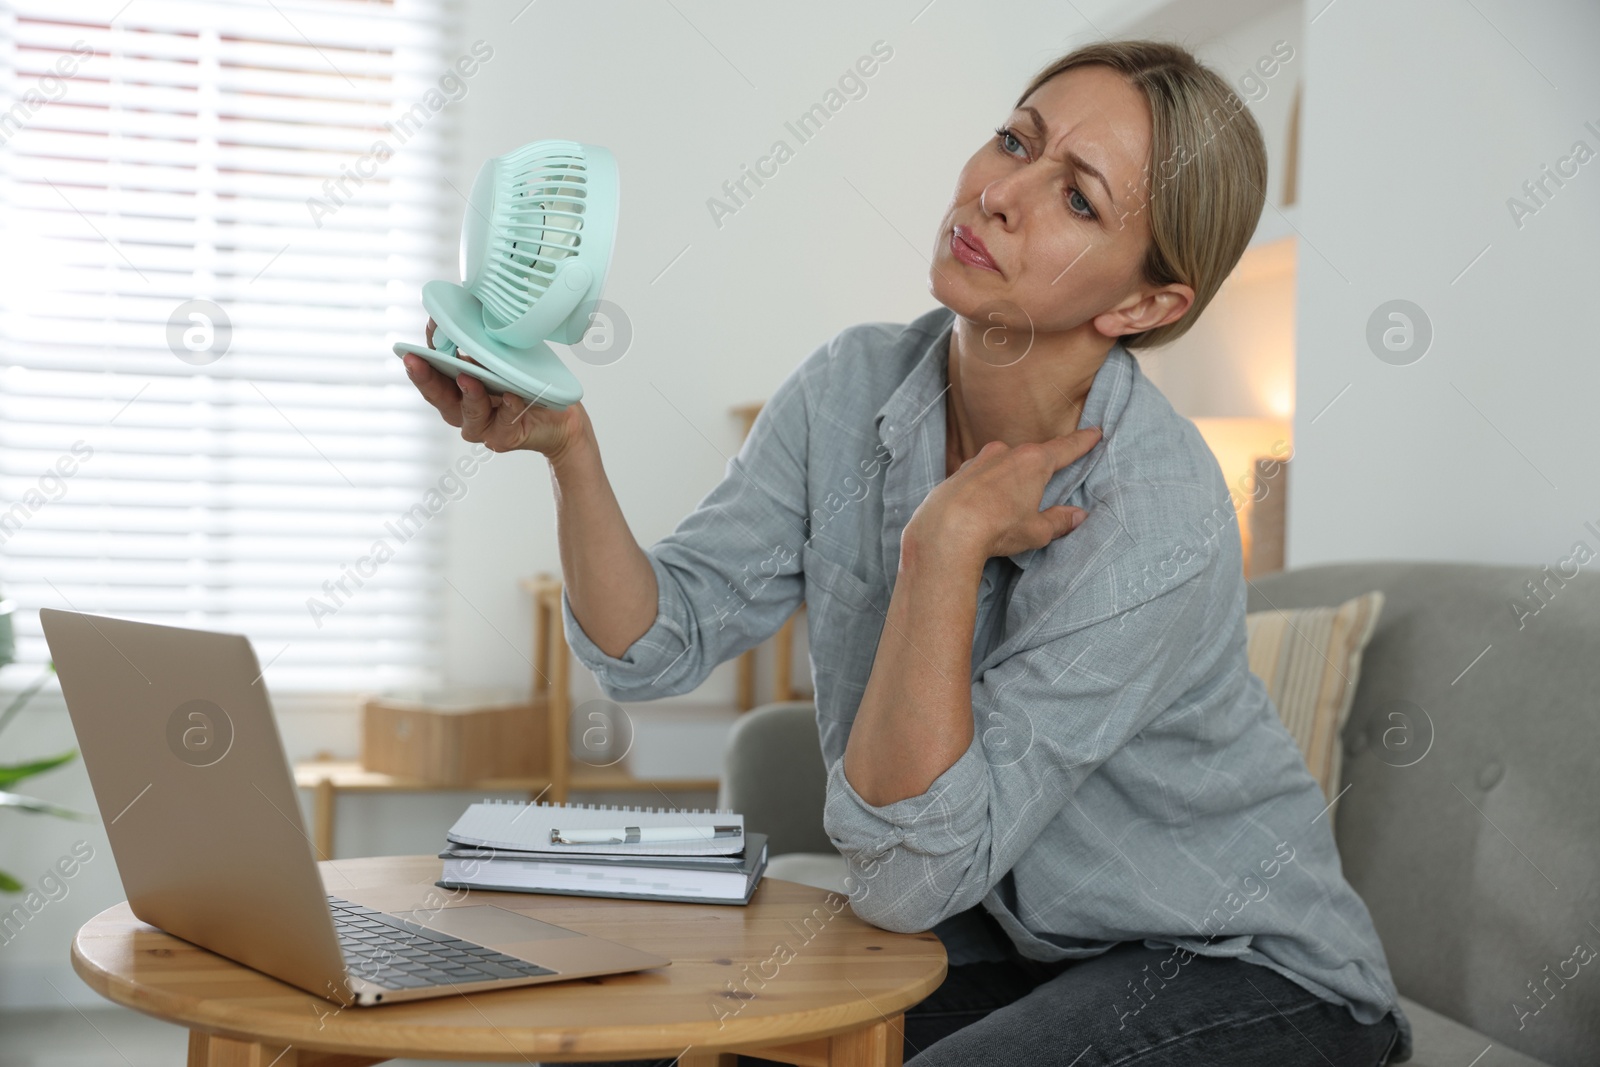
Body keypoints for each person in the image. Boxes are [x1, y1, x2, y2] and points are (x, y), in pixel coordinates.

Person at [402, 38, 1411, 1067]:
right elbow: (650, 646)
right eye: (1015, 140)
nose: (1002, 191)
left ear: (1143, 305)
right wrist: (568, 447)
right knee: (659, 1037)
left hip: (1239, 966)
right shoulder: (851, 384)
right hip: (1026, 940)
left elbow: (903, 877)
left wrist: (942, 543)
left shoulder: (1153, 507)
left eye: (1078, 199)